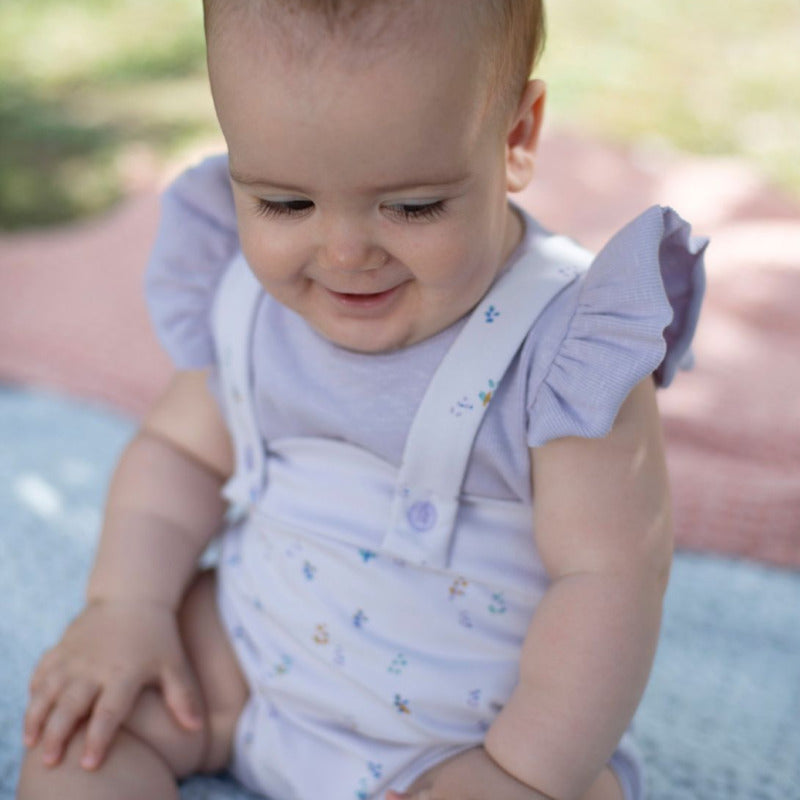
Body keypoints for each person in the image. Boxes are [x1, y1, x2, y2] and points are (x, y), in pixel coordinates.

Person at [18, 1, 707, 799]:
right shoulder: (254, 306)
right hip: (245, 667)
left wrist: (522, 773)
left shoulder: (564, 348)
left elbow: (613, 578)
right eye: (285, 203)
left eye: (412, 207)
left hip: (469, 740)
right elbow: (176, 454)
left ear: (515, 137)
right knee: (83, 742)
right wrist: (126, 605)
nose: (344, 254)